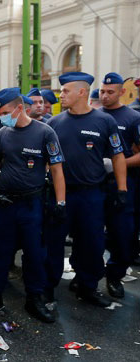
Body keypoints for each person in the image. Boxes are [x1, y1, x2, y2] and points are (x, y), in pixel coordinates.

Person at [44, 72, 127, 307]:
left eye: (66, 91)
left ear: (82, 92)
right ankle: (47, 289)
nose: (62, 95)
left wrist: (121, 189)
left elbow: (118, 156)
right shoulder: (54, 124)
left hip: (91, 194)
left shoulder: (104, 122)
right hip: (60, 194)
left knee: (91, 242)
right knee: (54, 243)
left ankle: (88, 286)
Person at [0, 88, 66, 323]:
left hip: (33, 203)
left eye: (5, 112)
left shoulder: (44, 132)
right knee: (0, 254)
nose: (2, 117)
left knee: (34, 254)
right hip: (5, 204)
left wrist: (61, 202)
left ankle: (34, 298)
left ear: (20, 108)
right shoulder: (2, 134)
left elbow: (57, 169)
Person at [99, 72, 140, 298]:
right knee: (90, 234)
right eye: (102, 92)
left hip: (124, 185)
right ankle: (87, 275)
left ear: (122, 93)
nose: (105, 96)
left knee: (122, 234)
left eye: (110, 92)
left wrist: (118, 164)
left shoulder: (132, 118)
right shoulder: (94, 116)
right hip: (96, 184)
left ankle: (115, 276)